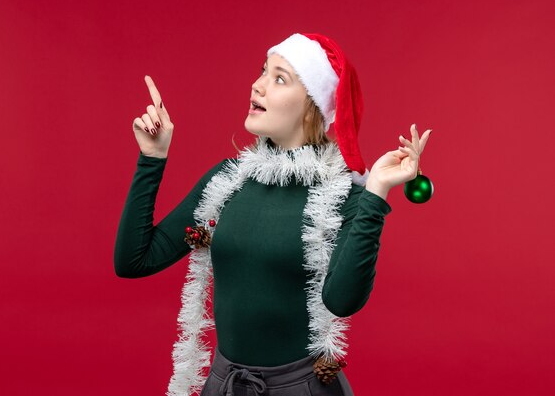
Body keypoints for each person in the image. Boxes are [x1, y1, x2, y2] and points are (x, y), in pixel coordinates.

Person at [114, 32, 432, 396]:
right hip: (224, 386)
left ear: (313, 104)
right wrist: (152, 159)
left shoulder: (344, 196)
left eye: (279, 78)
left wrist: (375, 194)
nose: (258, 85)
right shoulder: (226, 181)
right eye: (263, 71)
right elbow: (133, 261)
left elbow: (342, 301)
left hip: (301, 389)